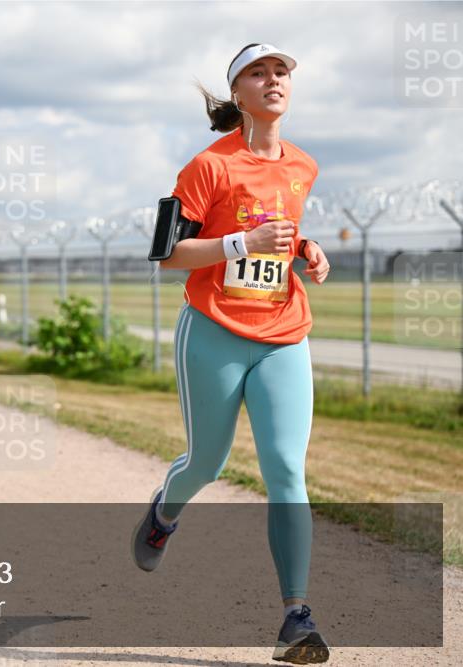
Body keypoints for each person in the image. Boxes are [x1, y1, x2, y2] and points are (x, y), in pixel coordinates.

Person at [131, 44, 332, 665]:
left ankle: (295, 617)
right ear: (237, 93)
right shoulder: (207, 166)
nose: (273, 80)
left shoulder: (303, 166)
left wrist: (305, 249)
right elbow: (167, 256)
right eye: (258, 72)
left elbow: (281, 233)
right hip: (214, 329)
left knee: (286, 469)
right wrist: (243, 243)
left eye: (282, 72)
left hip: (283, 331)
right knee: (207, 463)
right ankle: (164, 514)